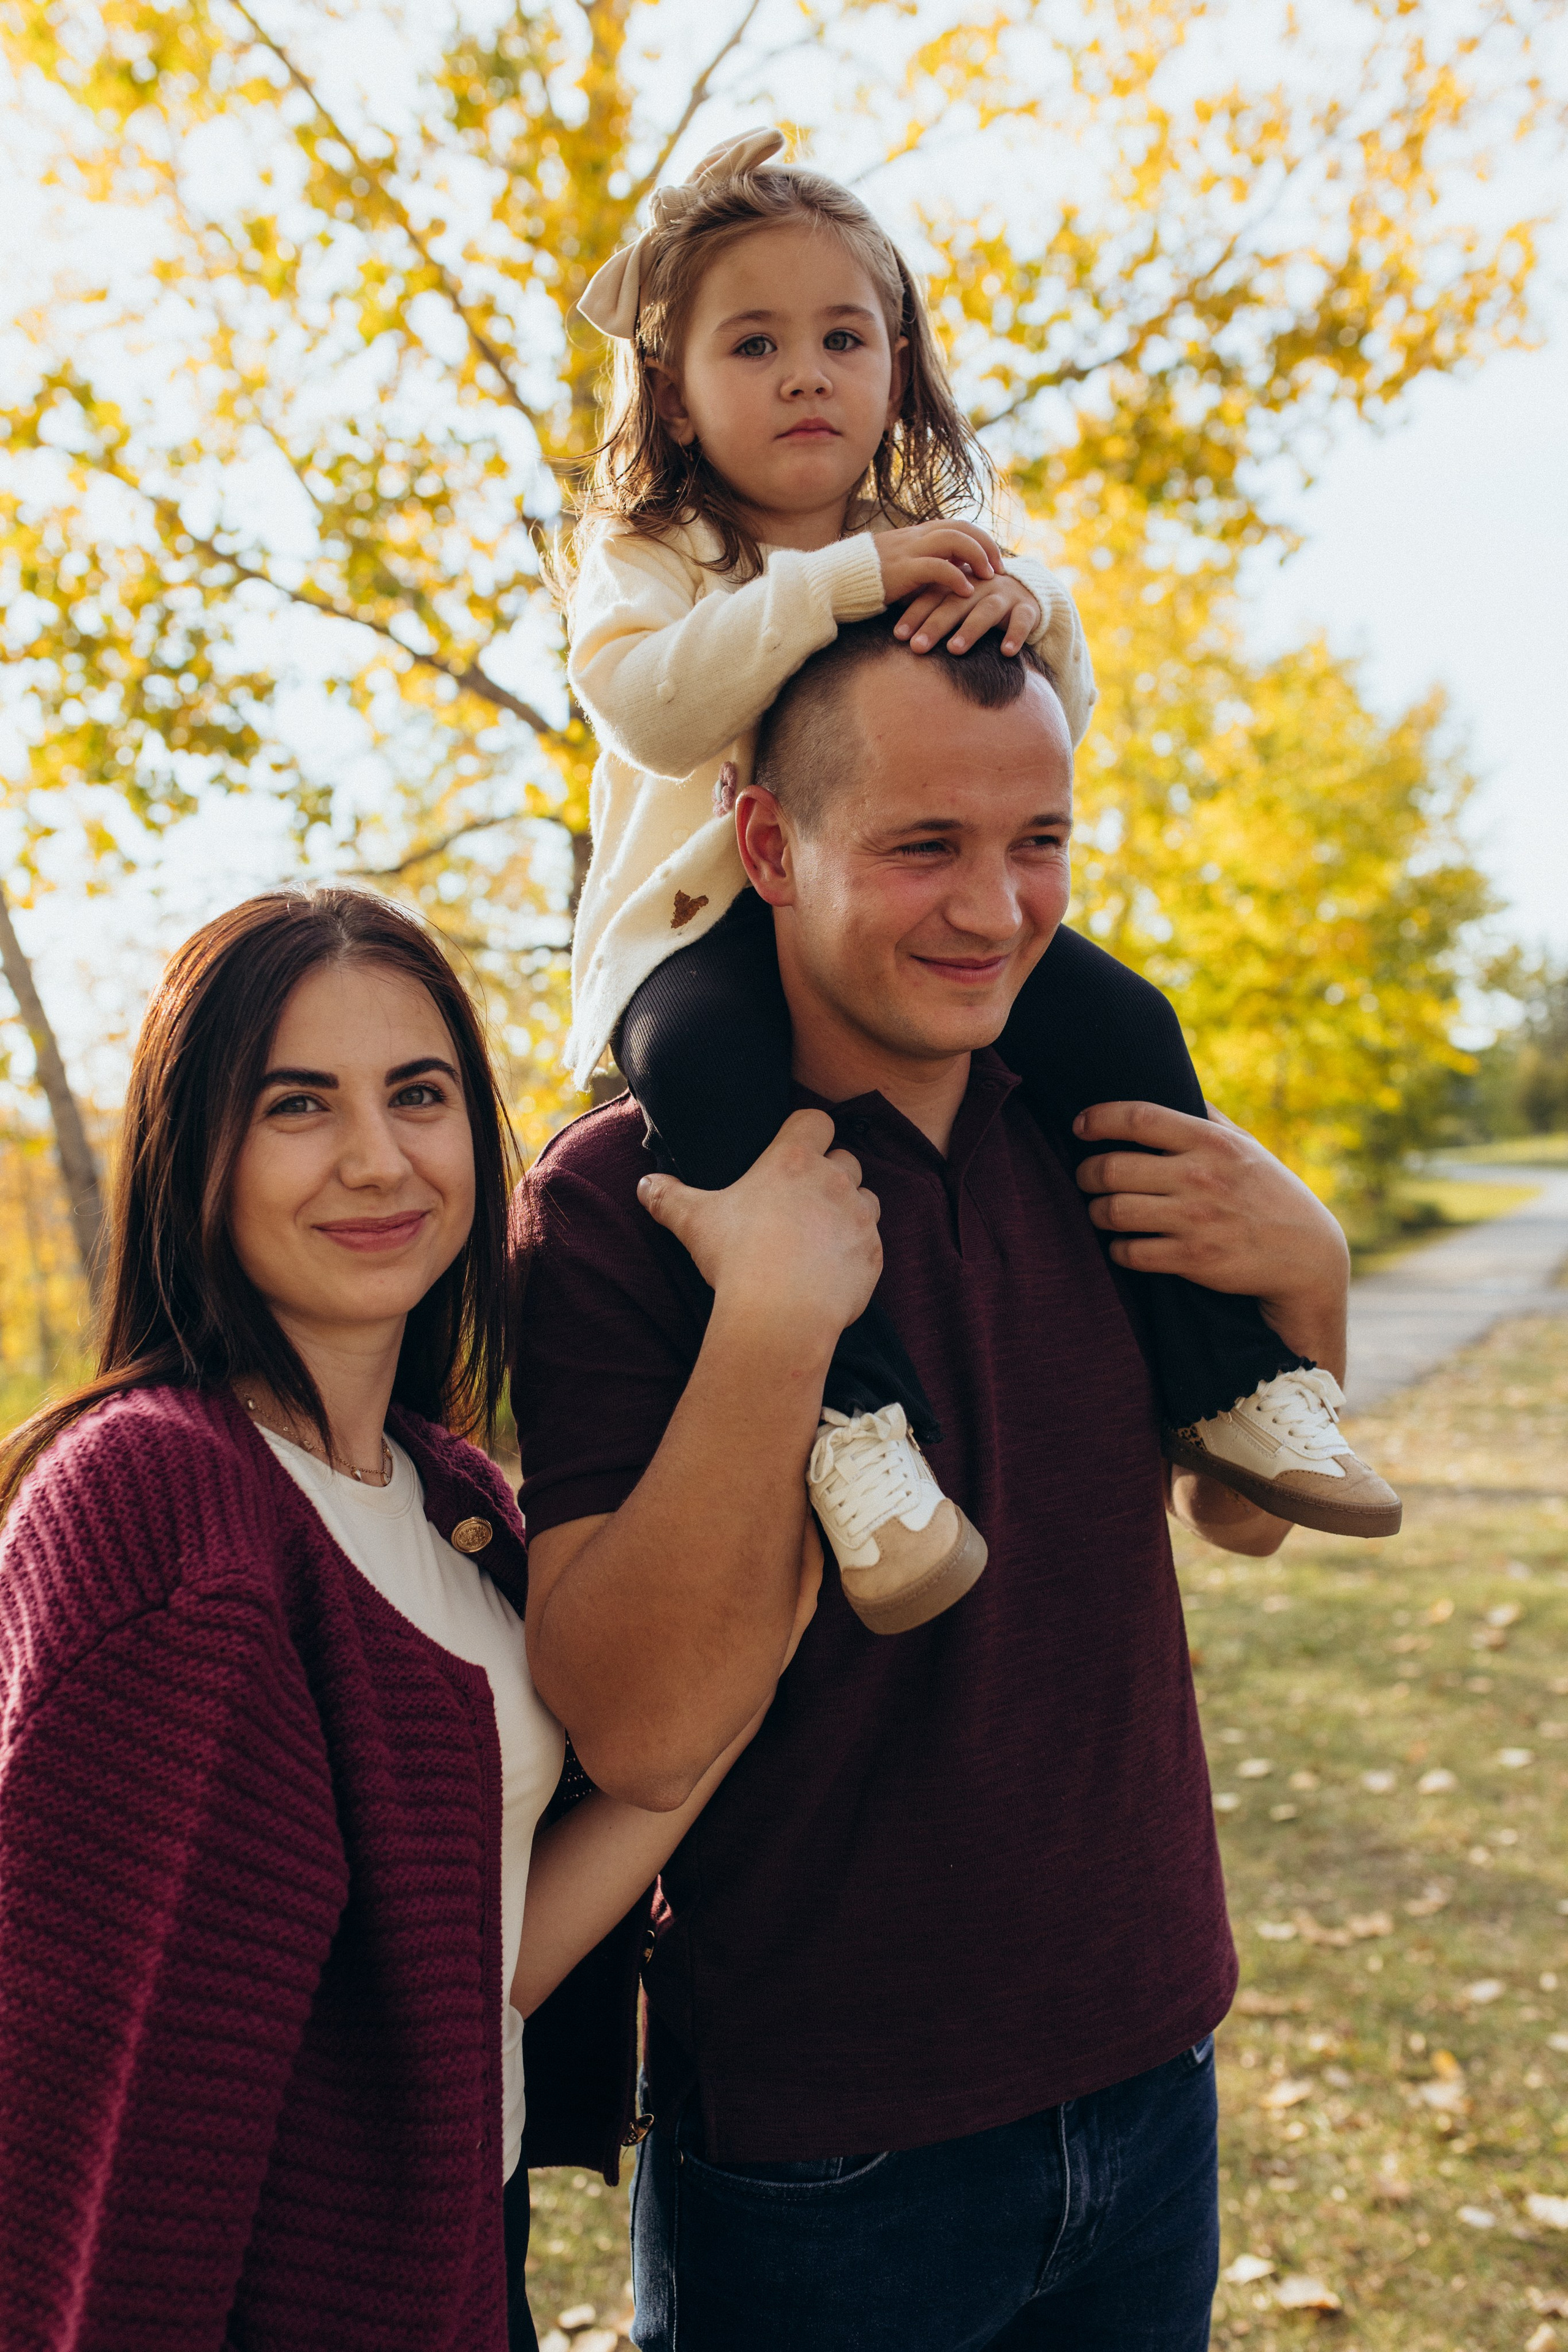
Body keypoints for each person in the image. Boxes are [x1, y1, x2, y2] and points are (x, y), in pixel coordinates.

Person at [512, 619, 1362, 2348]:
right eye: (923, 848)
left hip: (1152, 2058)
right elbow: (633, 1719)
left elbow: (1246, 1509)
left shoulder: (1108, 1133)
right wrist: (772, 1323)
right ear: (765, 846)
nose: (998, 910)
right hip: (828, 2150)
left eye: (1038, 842)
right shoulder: (618, 1205)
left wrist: (1314, 1283)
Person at [560, 126, 1398, 1634]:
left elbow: (1029, 735)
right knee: (717, 1091)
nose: (805, 372)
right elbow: (651, 708)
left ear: (898, 366)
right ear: (674, 393)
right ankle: (852, 1430)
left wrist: (1027, 615)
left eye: (842, 337)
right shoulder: (657, 550)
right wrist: (838, 590)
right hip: (701, 945)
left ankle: (1229, 1376)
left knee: (1126, 1032)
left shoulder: (922, 544)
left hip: (884, 930)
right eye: (752, 344)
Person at [0, 888, 831, 2352]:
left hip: (452, 2254)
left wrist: (726, 1694)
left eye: (419, 1094)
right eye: (297, 1105)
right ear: (194, 1150)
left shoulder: (451, 1492)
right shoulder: (153, 1507)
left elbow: (472, 1963)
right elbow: (93, 2123)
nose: (377, 1160)